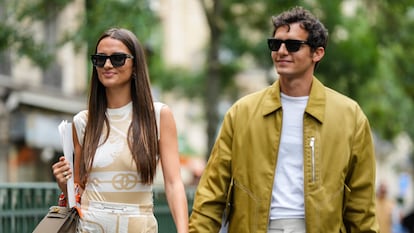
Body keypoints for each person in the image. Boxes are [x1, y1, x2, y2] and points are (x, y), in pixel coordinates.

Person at [189, 6, 379, 233]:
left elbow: (361, 205)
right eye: (275, 44)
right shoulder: (242, 113)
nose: (281, 51)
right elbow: (211, 194)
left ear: (317, 53)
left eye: (292, 45)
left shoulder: (350, 116)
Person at [52, 27, 188, 233]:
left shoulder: (158, 115)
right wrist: (64, 183)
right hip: (90, 226)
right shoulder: (83, 121)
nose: (107, 65)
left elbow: (173, 183)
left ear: (135, 66)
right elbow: (80, 186)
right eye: (100, 59)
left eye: (117, 59)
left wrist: (183, 231)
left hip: (138, 227)